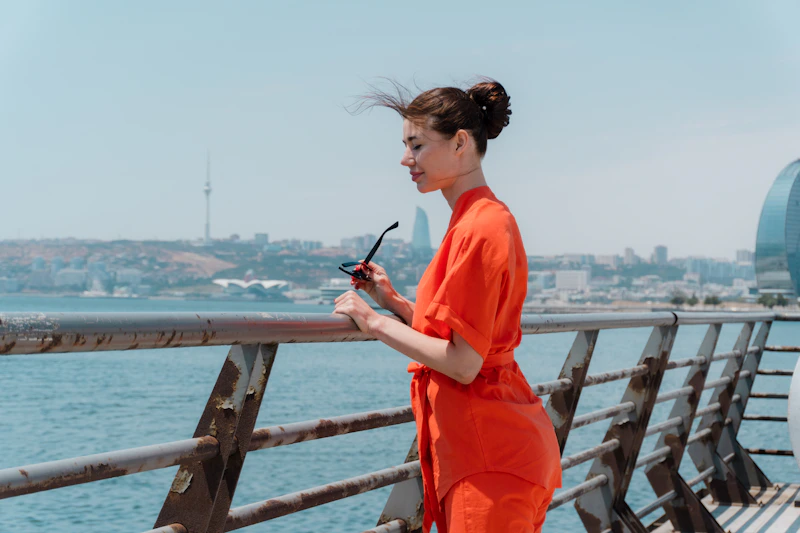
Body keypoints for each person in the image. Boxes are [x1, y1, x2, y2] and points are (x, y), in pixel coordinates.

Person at [333, 79, 562, 533]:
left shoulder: (479, 227)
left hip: (488, 459)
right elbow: (465, 335)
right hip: (495, 450)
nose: (406, 159)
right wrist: (395, 302)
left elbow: (463, 363)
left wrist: (374, 322)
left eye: (416, 145)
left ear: (460, 143)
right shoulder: (479, 218)